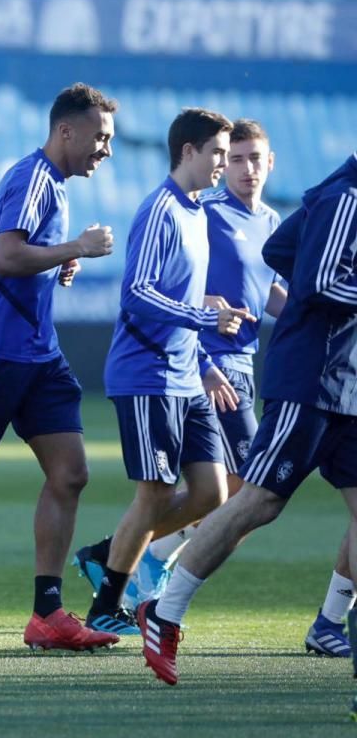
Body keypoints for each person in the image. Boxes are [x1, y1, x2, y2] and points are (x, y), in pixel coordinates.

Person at [136, 150, 357, 686]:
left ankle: (330, 622)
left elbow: (279, 246)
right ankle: (164, 612)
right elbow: (321, 278)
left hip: (347, 386)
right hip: (313, 382)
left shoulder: (333, 196)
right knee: (257, 501)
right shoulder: (346, 197)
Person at [0, 83, 120, 652]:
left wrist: (52, 261)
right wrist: (73, 251)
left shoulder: (51, 183)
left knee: (70, 474)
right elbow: (3, 254)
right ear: (68, 130)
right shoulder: (33, 177)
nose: (106, 150)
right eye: (101, 137)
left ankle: (47, 613)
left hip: (40, 355)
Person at [80, 108, 253, 636]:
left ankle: (107, 552)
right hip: (147, 374)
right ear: (188, 152)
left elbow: (176, 296)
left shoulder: (198, 211)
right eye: (219, 152)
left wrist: (202, 362)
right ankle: (107, 604)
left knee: (211, 493)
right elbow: (136, 294)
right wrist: (205, 317)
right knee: (154, 494)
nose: (225, 162)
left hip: (185, 373)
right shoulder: (160, 209)